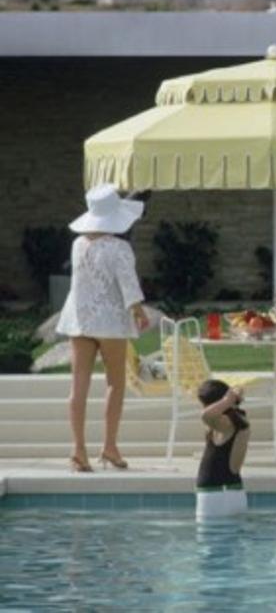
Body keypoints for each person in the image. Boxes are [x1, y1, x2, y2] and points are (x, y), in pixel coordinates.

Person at [56, 184, 150, 473]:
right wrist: (138, 311)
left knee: (78, 387)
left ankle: (78, 451)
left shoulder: (78, 244)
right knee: (115, 383)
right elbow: (128, 285)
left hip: (79, 319)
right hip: (109, 320)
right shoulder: (120, 248)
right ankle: (109, 447)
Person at [196, 379, 250, 521]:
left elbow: (206, 416)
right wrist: (232, 397)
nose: (202, 408)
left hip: (218, 497)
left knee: (211, 541)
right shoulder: (237, 420)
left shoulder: (227, 424)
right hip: (228, 493)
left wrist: (228, 400)